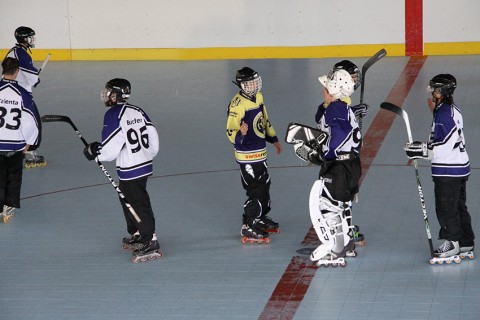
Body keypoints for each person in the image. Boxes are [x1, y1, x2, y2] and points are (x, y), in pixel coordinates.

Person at [83, 78, 162, 263]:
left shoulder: (113, 115)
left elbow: (110, 150)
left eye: (109, 91)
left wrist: (95, 153)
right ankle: (137, 233)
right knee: (126, 198)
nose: (106, 94)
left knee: (137, 203)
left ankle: (150, 240)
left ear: (116, 94)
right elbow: (153, 136)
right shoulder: (137, 110)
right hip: (143, 163)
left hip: (130, 168)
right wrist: (147, 155)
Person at [404, 74, 475, 262]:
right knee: (458, 206)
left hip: (448, 170)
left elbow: (441, 145)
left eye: (435, 89)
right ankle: (465, 240)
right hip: (460, 167)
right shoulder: (451, 109)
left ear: (442, 92)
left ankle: (452, 242)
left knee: (445, 207)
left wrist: (419, 151)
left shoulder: (443, 114)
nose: (432, 92)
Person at [308, 69, 361, 266]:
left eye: (326, 87)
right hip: (350, 163)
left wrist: (328, 154)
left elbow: (341, 131)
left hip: (339, 165)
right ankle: (347, 244)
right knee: (340, 204)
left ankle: (337, 251)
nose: (323, 90)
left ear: (334, 89)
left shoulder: (336, 108)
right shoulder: (343, 108)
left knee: (328, 205)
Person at [226, 67, 282, 243]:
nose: (254, 85)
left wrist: (273, 138)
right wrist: (240, 133)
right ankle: (249, 224)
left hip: (260, 153)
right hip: (247, 156)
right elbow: (230, 130)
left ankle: (260, 217)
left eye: (255, 81)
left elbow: (264, 120)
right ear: (242, 85)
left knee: (265, 184)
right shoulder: (237, 104)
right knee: (255, 189)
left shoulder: (258, 97)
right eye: (250, 83)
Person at [0, 57, 40, 222]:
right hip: (15, 144)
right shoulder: (22, 93)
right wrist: (28, 143)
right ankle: (8, 207)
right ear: (17, 72)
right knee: (14, 176)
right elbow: (31, 121)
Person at [6, 26, 45, 167]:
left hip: (9, 91)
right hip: (20, 95)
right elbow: (33, 77)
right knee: (35, 123)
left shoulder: (14, 51)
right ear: (24, 38)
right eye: (30, 37)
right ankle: (28, 153)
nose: (32, 39)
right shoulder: (21, 54)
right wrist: (36, 79)